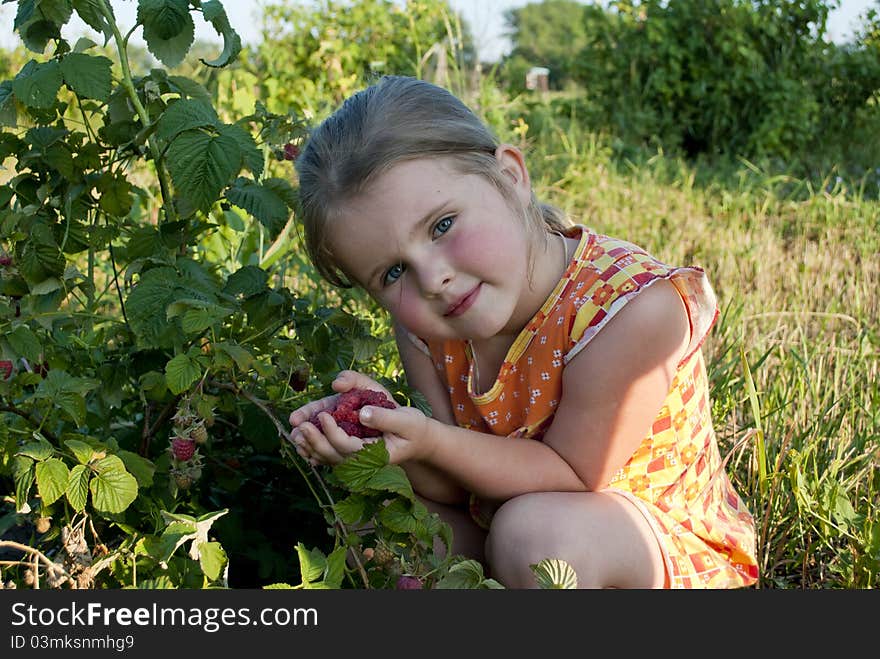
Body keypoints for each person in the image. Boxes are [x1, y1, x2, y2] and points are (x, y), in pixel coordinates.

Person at [287, 75, 759, 589]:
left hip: (647, 544)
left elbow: (574, 475)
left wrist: (434, 441)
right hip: (504, 524)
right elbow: (451, 485)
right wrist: (394, 438)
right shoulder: (426, 329)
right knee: (380, 522)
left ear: (510, 177)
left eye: (442, 225)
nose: (433, 279)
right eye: (394, 273)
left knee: (532, 539)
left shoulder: (629, 309)